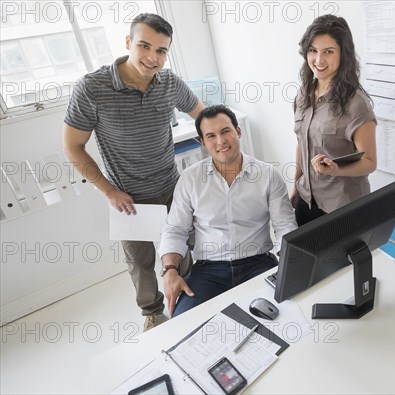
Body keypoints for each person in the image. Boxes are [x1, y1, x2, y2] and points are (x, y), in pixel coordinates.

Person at [63, 13, 205, 331]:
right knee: (141, 263)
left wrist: (215, 147)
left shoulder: (169, 83)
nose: (152, 58)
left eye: (162, 51)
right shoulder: (92, 88)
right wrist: (109, 191)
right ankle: (153, 314)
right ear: (129, 42)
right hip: (129, 197)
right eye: (144, 46)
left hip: (172, 187)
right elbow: (73, 146)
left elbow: (201, 115)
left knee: (180, 250)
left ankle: (187, 301)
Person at [159, 105, 297, 317]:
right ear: (202, 143)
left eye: (225, 131)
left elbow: (284, 225)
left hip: (258, 264)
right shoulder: (190, 178)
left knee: (284, 316)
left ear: (238, 131)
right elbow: (175, 230)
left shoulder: (268, 175)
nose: (221, 141)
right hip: (208, 270)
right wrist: (170, 270)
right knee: (185, 322)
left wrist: (287, 265)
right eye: (211, 136)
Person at [291, 15, 377, 226]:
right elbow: (302, 143)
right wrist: (296, 183)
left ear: (342, 54)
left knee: (340, 260)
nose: (319, 60)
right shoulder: (303, 95)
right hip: (307, 199)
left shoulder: (357, 103)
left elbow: (370, 162)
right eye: (313, 50)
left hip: (342, 208)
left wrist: (337, 170)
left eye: (328, 52)